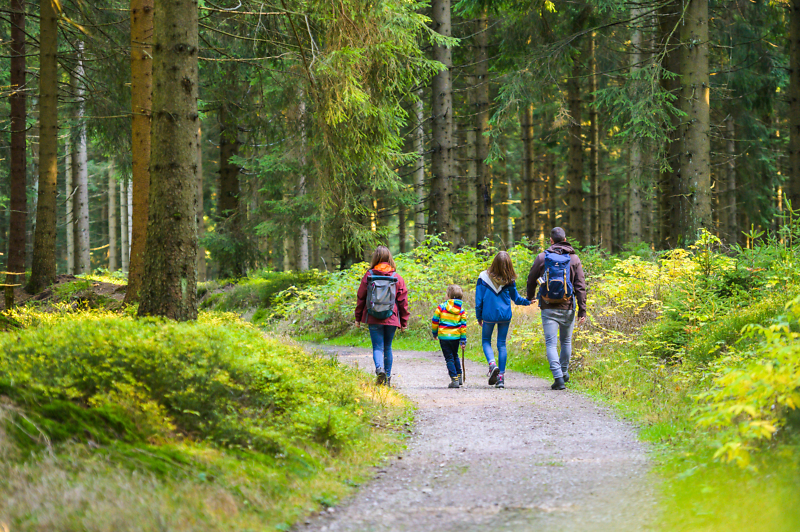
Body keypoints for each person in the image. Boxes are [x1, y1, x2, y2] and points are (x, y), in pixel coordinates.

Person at [526, 227, 587, 390]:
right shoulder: (574, 259)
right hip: (568, 307)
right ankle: (564, 372)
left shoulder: (542, 257)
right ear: (565, 239)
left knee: (551, 344)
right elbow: (580, 286)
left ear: (551, 241)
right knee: (566, 341)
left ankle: (558, 378)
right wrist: (582, 309)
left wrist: (530, 297)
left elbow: (531, 279)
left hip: (548, 307)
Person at [475, 251, 531, 389]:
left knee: (486, 341)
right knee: (501, 344)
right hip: (505, 315)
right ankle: (501, 378)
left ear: (494, 263)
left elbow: (478, 300)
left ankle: (492, 365)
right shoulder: (510, 280)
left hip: (488, 314)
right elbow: (516, 299)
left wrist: (479, 315)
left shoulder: (483, 277)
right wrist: (528, 302)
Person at [355, 246, 409, 386]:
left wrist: (358, 318)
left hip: (373, 317)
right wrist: (404, 322)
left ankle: (380, 369)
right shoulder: (396, 277)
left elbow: (361, 297)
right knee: (388, 347)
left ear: (375, 258)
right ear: (389, 258)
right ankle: (388, 379)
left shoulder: (369, 275)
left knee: (377, 347)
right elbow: (403, 301)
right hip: (391, 317)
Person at [431, 284, 467, 388]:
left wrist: (435, 333)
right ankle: (459, 377)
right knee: (455, 355)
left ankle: (454, 379)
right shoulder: (461, 310)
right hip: (456, 337)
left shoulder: (441, 307)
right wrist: (463, 340)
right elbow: (463, 326)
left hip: (444, 337)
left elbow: (435, 320)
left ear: (448, 296)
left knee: (449, 358)